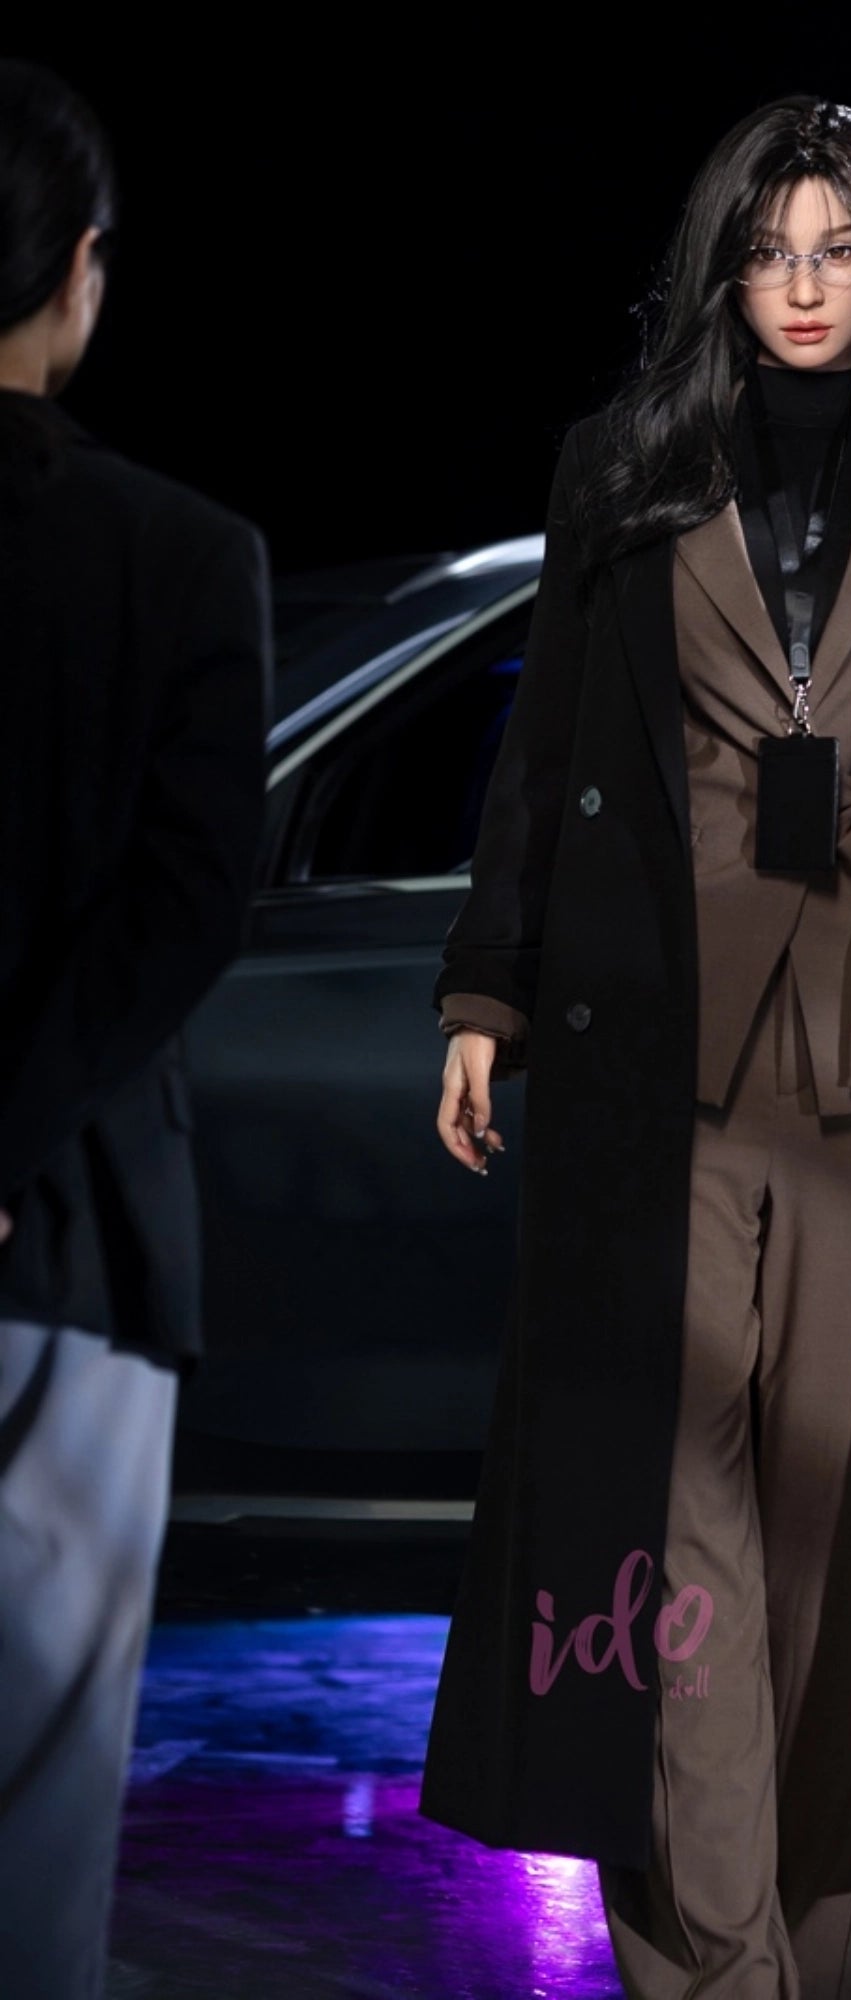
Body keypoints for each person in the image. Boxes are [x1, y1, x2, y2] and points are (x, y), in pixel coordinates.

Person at [420, 94, 851, 1998]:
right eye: (772, 251)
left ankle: (799, 1955)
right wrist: (487, 989)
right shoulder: (624, 467)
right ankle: (728, 1969)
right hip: (664, 1055)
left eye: (841, 250)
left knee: (847, 1551)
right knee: (687, 1539)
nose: (805, 286)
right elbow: (548, 744)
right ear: (724, 269)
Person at [0, 60, 272, 2000]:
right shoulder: (181, 557)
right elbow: (186, 908)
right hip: (74, 1228)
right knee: (39, 1798)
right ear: (79, 270)